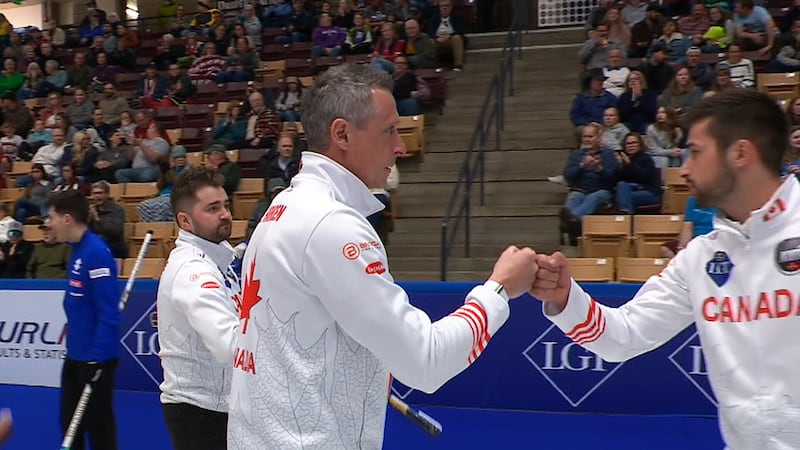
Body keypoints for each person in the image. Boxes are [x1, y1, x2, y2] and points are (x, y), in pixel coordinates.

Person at [227, 63, 539, 448]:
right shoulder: (332, 224)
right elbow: (425, 361)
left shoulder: (284, 208)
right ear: (342, 133)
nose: (400, 146)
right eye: (389, 130)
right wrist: (500, 290)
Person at [530, 88, 800, 449]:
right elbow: (624, 336)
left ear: (740, 153)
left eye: (696, 152)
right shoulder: (699, 258)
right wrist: (566, 298)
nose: (684, 168)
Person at [158, 167, 240, 450]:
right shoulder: (194, 271)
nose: (225, 214)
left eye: (226, 205)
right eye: (213, 208)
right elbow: (229, 343)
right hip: (200, 411)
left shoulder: (218, 259)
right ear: (186, 220)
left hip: (220, 406)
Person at [46, 189, 120, 450]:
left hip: (94, 359)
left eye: (51, 216)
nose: (47, 222)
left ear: (67, 219)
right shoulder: (75, 250)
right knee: (69, 426)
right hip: (75, 355)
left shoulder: (96, 253)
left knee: (99, 429)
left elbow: (109, 313)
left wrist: (97, 359)